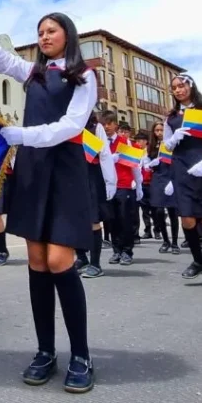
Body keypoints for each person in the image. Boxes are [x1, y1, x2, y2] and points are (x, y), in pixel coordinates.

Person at [0, 4, 97, 393]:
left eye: (51, 31)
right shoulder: (34, 72)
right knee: (38, 262)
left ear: (68, 35)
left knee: (60, 260)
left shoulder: (83, 75)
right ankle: (46, 351)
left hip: (64, 169)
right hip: (33, 171)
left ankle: (81, 355)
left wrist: (23, 136)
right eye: (40, 32)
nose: (44, 37)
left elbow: (72, 125)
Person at [163, 73, 202, 291]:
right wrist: (175, 137)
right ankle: (198, 260)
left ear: (190, 86)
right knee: (187, 220)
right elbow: (167, 146)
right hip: (181, 167)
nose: (178, 90)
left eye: (181, 86)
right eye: (174, 88)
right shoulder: (171, 116)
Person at [101, 111, 142, 266]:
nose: (106, 127)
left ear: (115, 125)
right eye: (103, 124)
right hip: (107, 186)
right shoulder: (100, 143)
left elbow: (135, 165)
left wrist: (138, 185)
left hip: (124, 185)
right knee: (112, 220)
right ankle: (116, 250)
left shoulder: (126, 142)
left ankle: (127, 251)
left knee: (125, 219)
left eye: (109, 124)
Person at [80, 111, 117, 278]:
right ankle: (81, 258)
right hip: (71, 176)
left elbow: (104, 154)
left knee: (93, 220)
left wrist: (110, 181)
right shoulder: (65, 124)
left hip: (91, 175)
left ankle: (95, 264)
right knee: (74, 220)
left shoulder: (96, 127)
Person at [145, 120, 179, 253]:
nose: (159, 133)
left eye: (161, 130)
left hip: (171, 177)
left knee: (172, 212)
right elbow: (147, 161)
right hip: (157, 178)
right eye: (156, 130)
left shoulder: (171, 144)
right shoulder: (152, 146)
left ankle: (175, 242)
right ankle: (166, 240)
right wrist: (149, 164)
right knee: (158, 211)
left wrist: (174, 180)